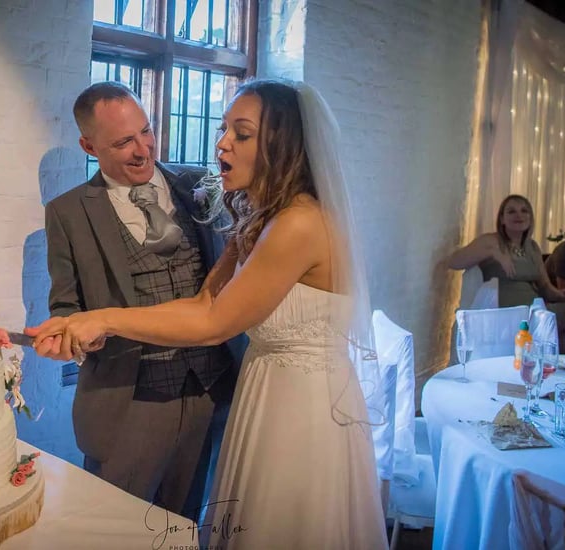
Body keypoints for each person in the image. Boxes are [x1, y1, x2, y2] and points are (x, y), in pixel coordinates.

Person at [27, 79, 388, 549]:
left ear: (282, 143)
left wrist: (107, 318)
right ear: (89, 146)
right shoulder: (258, 218)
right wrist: (79, 326)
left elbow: (215, 322)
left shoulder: (296, 222)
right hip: (160, 402)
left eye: (241, 133)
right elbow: (205, 302)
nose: (221, 144)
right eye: (224, 129)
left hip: (289, 409)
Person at [41, 81, 243, 517]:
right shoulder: (67, 212)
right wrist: (76, 338)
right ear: (88, 145)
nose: (142, 149)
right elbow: (65, 305)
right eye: (122, 142)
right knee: (110, 525)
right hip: (129, 399)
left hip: (211, 389)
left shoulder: (197, 185)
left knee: (185, 525)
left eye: (145, 132)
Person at [447, 194, 565, 350]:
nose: (519, 215)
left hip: (535, 311)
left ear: (530, 218)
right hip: (506, 314)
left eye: (524, 211)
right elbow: (454, 262)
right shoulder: (491, 241)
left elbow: (545, 286)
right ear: (502, 219)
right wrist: (494, 253)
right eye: (511, 211)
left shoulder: (532, 247)